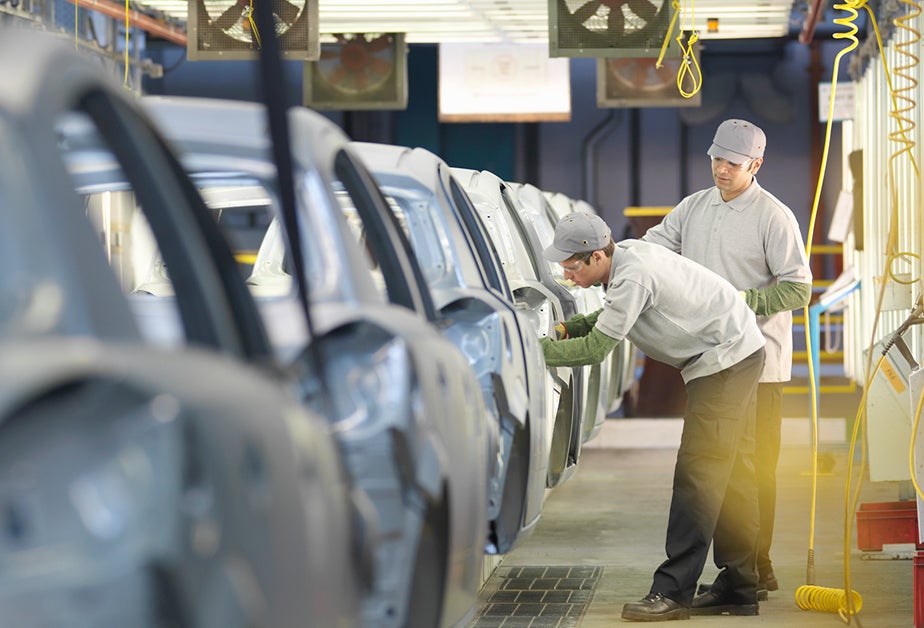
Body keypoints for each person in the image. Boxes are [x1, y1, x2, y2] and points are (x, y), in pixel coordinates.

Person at [541, 212, 766, 621]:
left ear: (594, 257)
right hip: (740, 350)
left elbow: (596, 348)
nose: (565, 273)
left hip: (724, 361)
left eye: (571, 265)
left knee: (698, 477)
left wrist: (532, 350)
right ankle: (739, 586)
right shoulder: (626, 258)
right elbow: (611, 316)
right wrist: (565, 329)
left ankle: (673, 592)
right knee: (732, 474)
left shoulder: (634, 275)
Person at [641, 118, 812, 599]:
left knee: (755, 468)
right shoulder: (694, 207)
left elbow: (799, 287)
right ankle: (747, 574)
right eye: (717, 158)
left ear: (755, 165)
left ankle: (757, 566)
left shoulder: (772, 217)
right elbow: (654, 248)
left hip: (762, 363)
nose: (721, 168)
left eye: (733, 163)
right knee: (729, 468)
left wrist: (740, 303)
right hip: (712, 361)